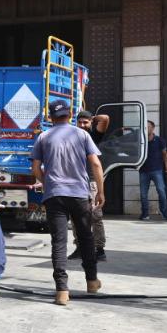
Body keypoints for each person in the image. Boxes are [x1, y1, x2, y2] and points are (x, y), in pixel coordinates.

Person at [31, 100, 104, 305]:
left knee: (59, 242)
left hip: (54, 195)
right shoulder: (82, 134)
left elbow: (36, 168)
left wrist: (47, 183)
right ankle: (91, 281)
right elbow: (96, 164)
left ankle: (62, 291)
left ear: (51, 117)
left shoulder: (43, 137)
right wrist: (101, 191)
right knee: (85, 237)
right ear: (70, 114)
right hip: (79, 194)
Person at [69, 110, 110, 262]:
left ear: (91, 123)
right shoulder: (72, 137)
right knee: (75, 217)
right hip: (74, 182)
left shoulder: (94, 136)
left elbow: (105, 118)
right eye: (79, 122)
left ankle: (99, 249)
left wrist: (93, 118)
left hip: (91, 182)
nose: (82, 125)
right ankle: (79, 247)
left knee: (95, 216)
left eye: (85, 122)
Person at [139, 120, 167, 220]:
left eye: (148, 126)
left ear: (153, 128)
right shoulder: (141, 140)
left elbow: (164, 153)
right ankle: (145, 214)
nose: (146, 128)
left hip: (157, 170)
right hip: (143, 170)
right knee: (143, 194)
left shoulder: (159, 140)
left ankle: (164, 212)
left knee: (161, 191)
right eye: (145, 127)